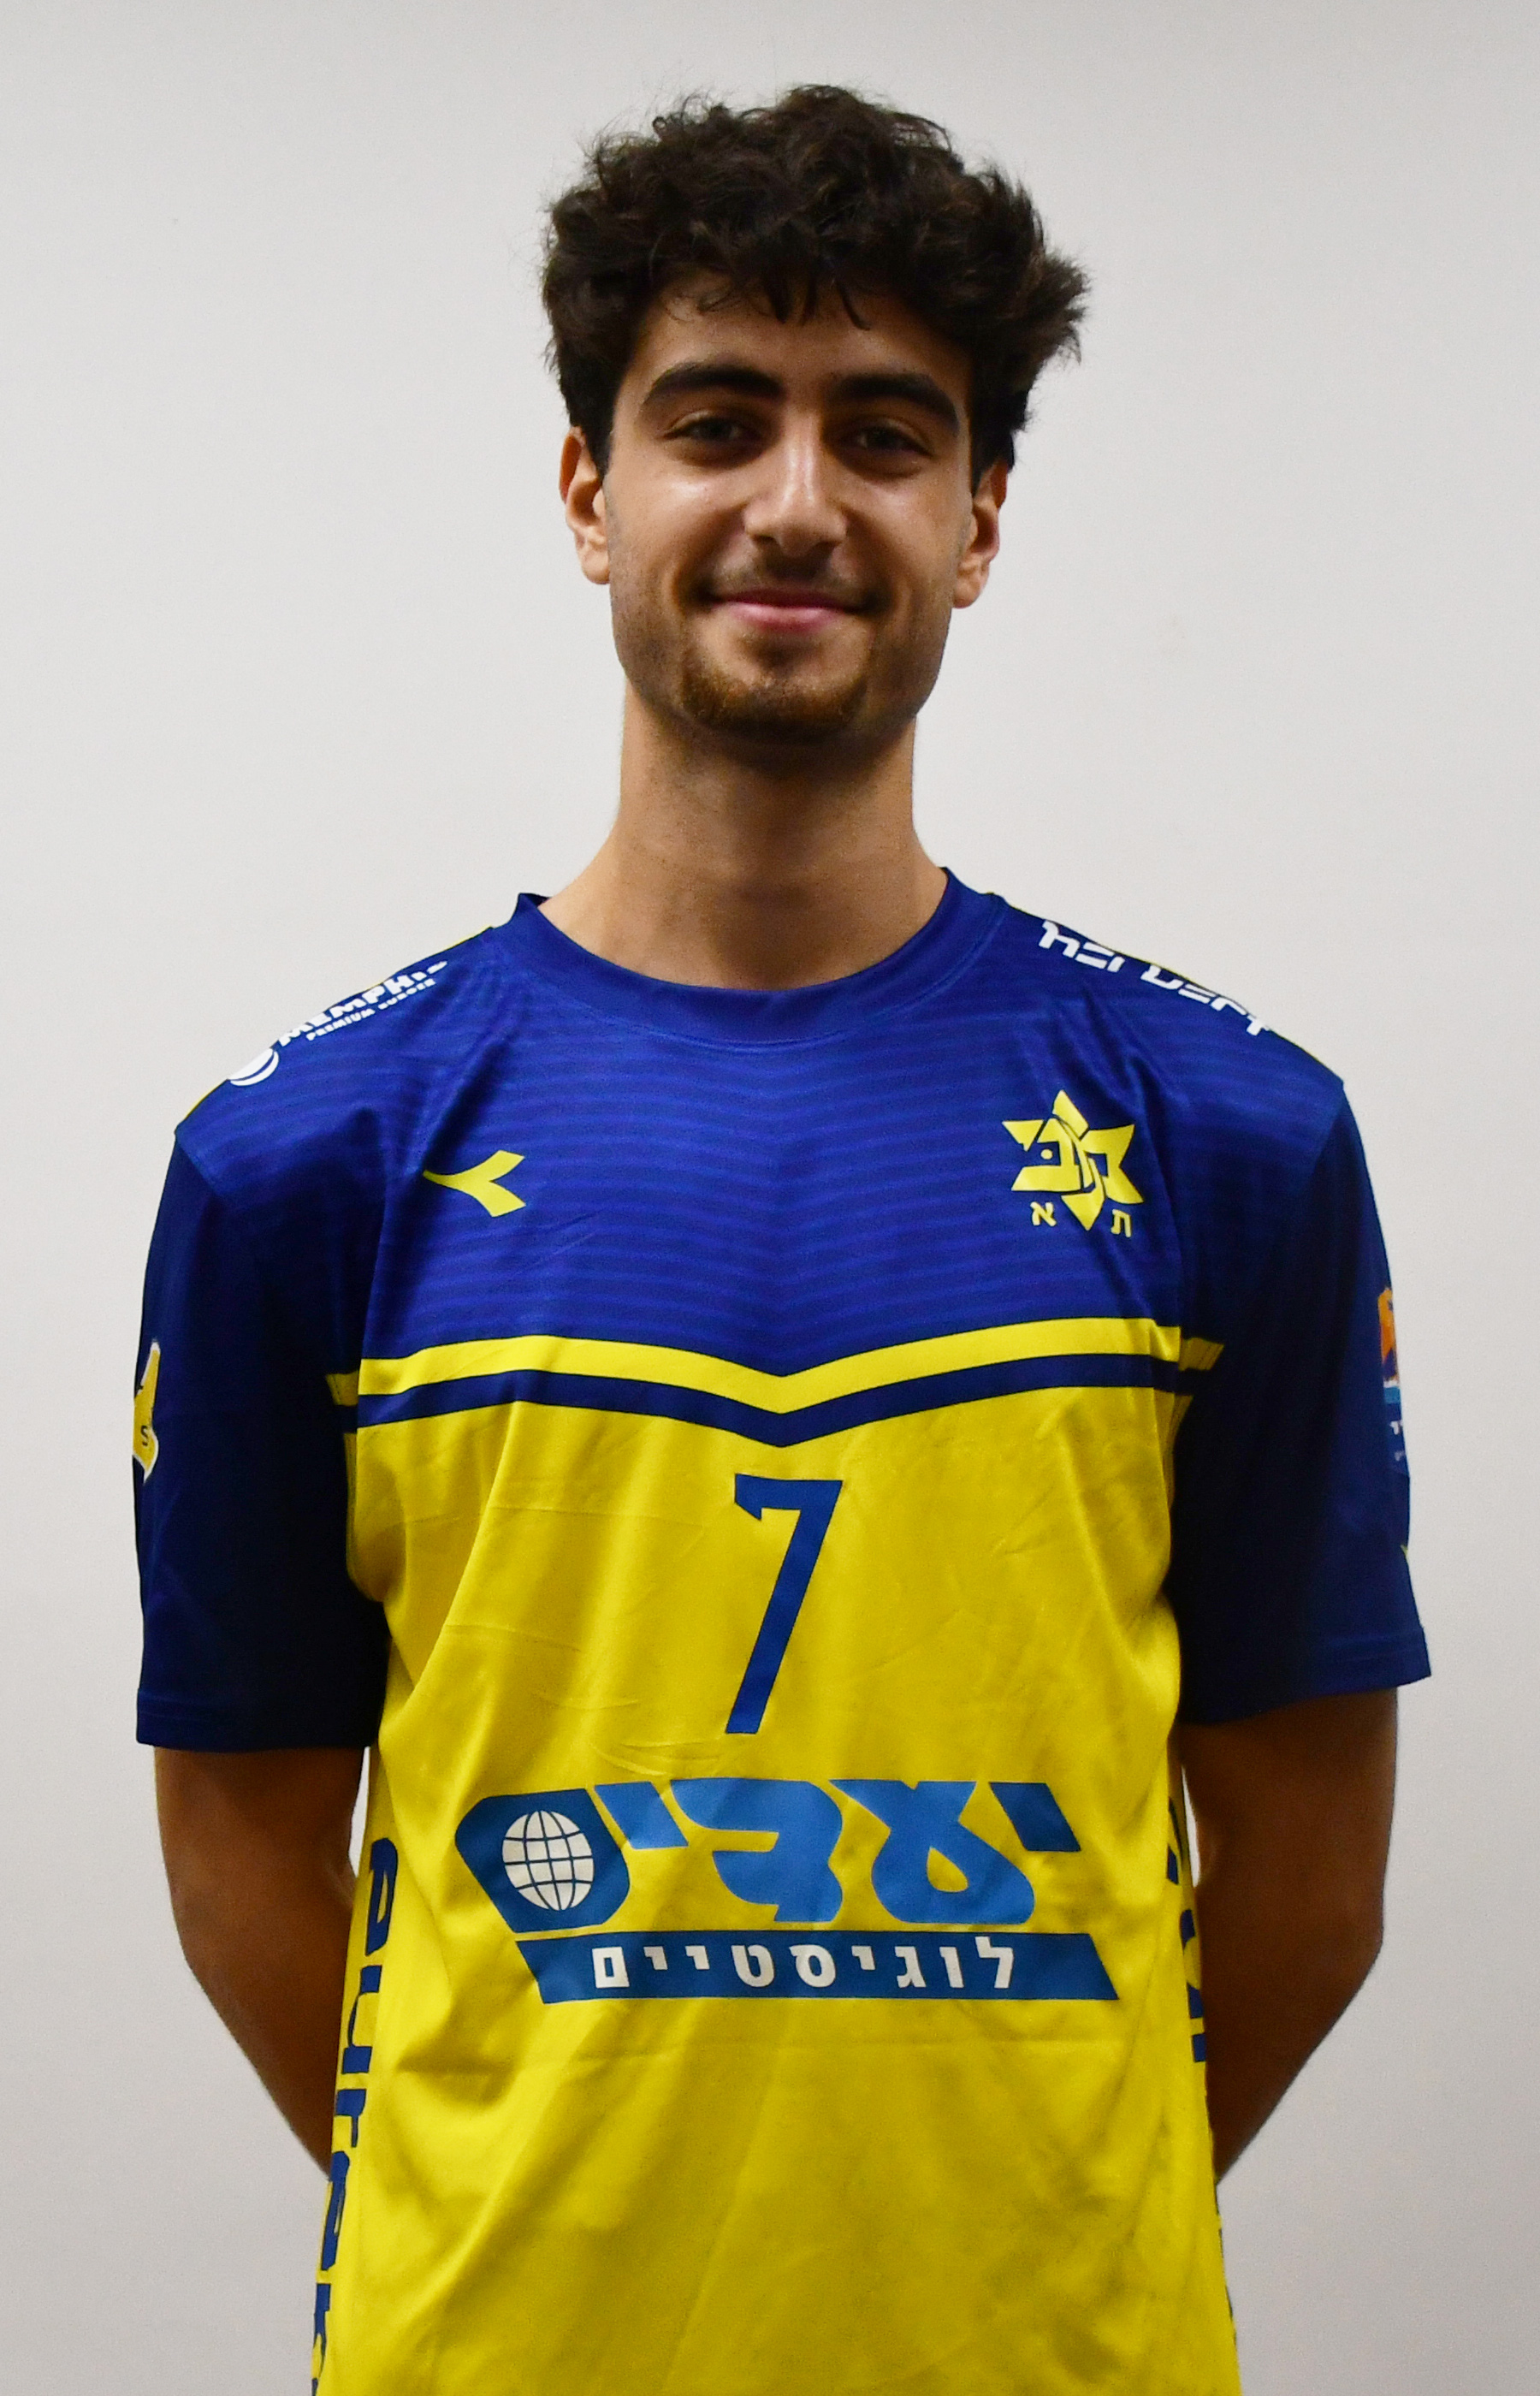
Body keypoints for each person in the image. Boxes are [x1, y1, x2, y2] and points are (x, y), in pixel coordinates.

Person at [134, 86, 1429, 2396]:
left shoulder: (1233, 1137)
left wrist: (1040, 2217)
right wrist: (510, 2193)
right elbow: (243, 1840)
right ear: (589, 490)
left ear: (980, 517)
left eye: (888, 435)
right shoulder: (303, 1159)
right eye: (718, 422)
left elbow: (1314, 1879)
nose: (800, 504)